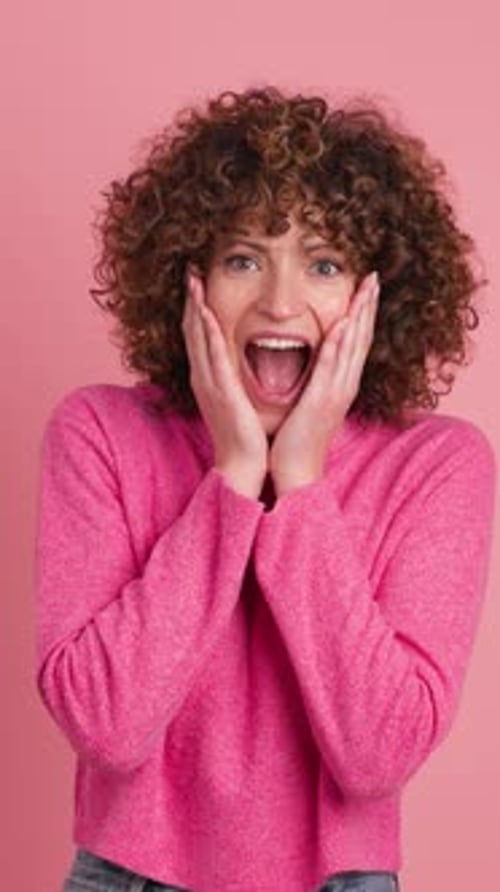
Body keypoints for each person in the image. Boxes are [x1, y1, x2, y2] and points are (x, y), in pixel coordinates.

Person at [34, 85, 496, 892]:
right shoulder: (100, 433)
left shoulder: (437, 463)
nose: (281, 301)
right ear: (191, 282)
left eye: (324, 263)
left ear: (375, 295)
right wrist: (235, 479)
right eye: (243, 258)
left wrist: (304, 483)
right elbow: (107, 726)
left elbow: (378, 755)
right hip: (125, 876)